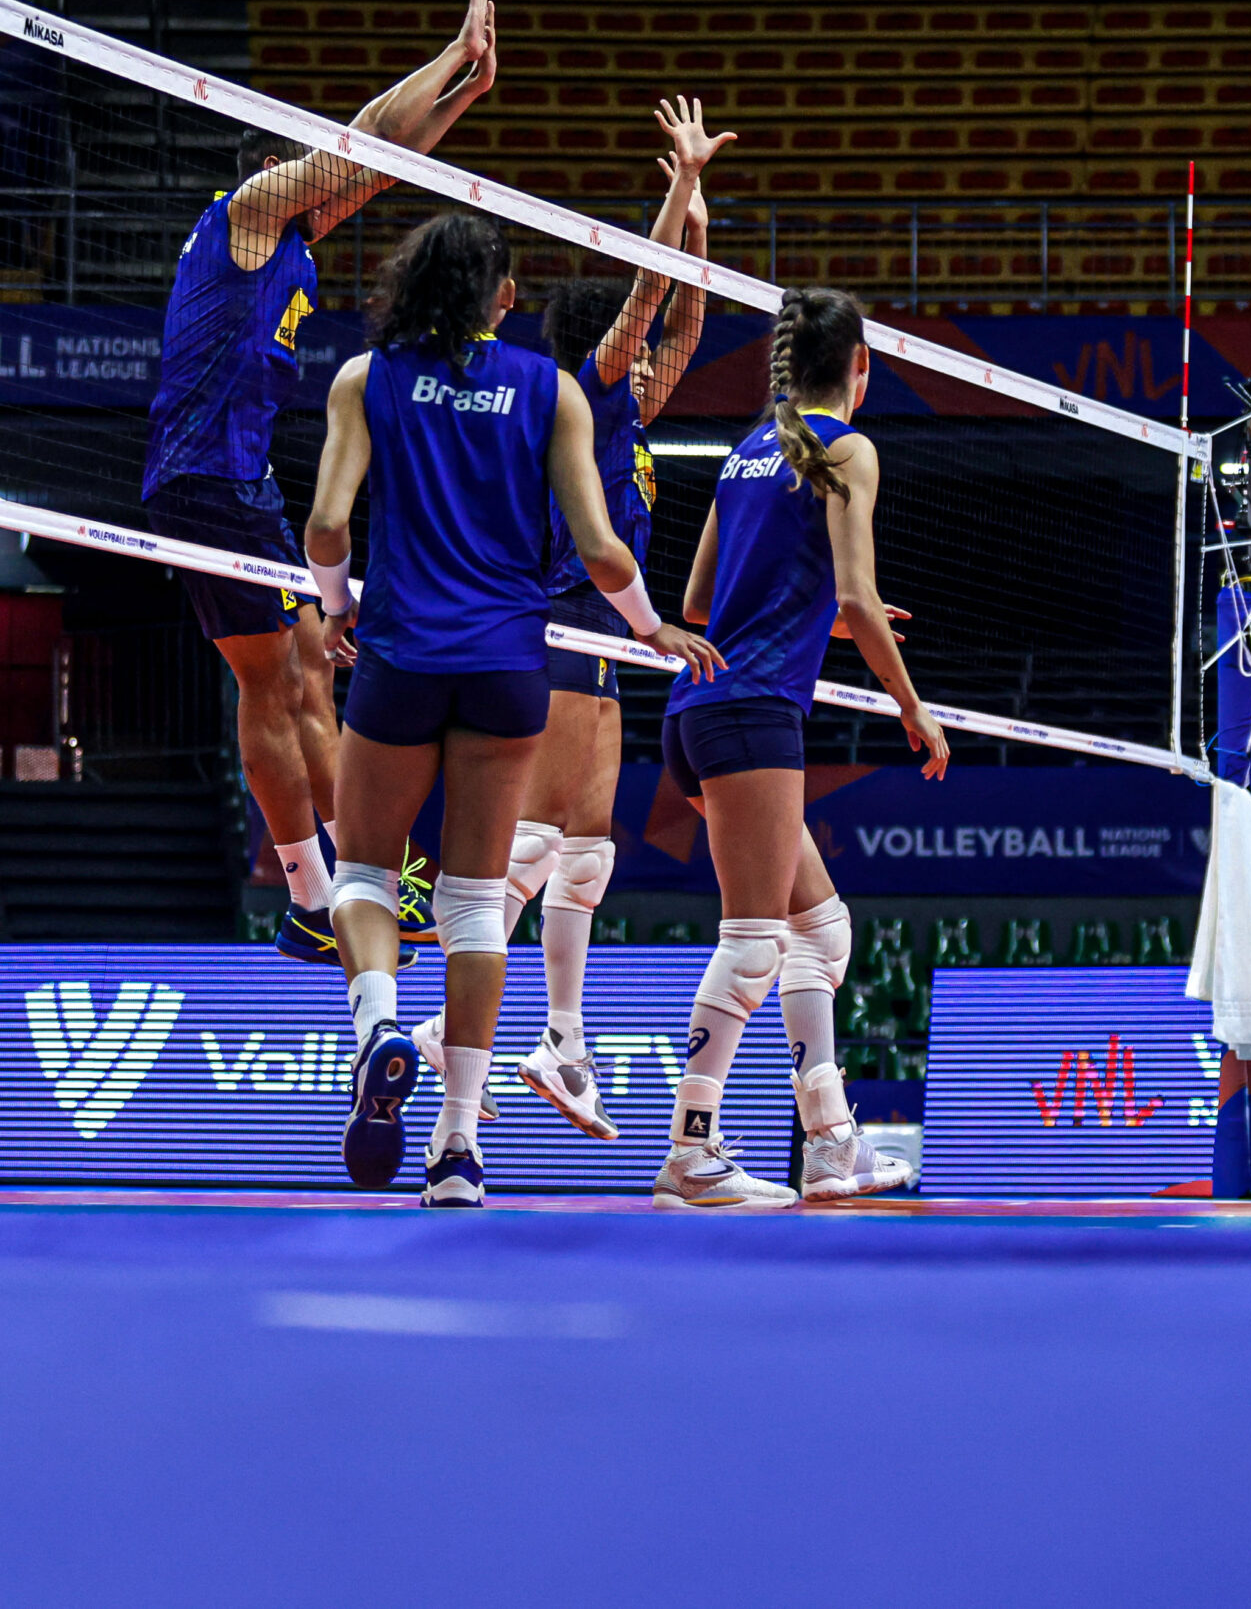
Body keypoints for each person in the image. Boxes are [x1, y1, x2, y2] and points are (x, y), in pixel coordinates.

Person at [303, 211, 720, 1206]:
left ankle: (378, 1029)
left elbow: (325, 527)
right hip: (508, 662)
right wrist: (652, 627)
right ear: (498, 296)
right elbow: (606, 550)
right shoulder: (552, 390)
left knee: (361, 867)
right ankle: (457, 1147)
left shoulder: (367, 379)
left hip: (401, 651)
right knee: (480, 903)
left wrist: (335, 612)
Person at [143, 0, 499, 966]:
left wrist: (465, 92)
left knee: (308, 672)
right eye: (313, 174)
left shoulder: (292, 244)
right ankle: (329, 887)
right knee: (275, 682)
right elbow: (354, 148)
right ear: (277, 169)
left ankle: (339, 884)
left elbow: (376, 166)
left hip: (234, 478)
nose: (330, 189)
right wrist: (448, 51)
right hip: (207, 475)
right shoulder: (249, 212)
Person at [411, 99, 730, 1138]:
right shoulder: (583, 393)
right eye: (632, 355)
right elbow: (647, 308)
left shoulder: (629, 407)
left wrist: (703, 217)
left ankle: (559, 1038)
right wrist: (674, 190)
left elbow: (685, 319)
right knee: (541, 844)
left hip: (599, 638)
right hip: (554, 628)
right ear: (608, 352)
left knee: (582, 851)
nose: (649, 365)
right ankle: (459, 1031)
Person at [652, 286, 947, 1210]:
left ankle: (828, 1148)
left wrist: (822, 597)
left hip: (701, 711)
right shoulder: (846, 447)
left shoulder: (749, 449)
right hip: (750, 717)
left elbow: (700, 598)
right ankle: (691, 1152)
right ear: (861, 365)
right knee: (751, 945)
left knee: (819, 929)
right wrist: (912, 708)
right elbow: (856, 599)